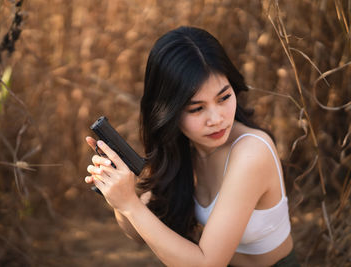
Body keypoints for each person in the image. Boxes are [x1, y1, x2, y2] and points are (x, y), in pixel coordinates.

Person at [84, 26, 299, 267]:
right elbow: (137, 234)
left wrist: (130, 205)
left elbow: (207, 263)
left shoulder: (251, 153)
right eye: (197, 109)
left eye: (224, 97)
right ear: (169, 112)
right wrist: (118, 192)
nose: (216, 119)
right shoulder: (183, 147)